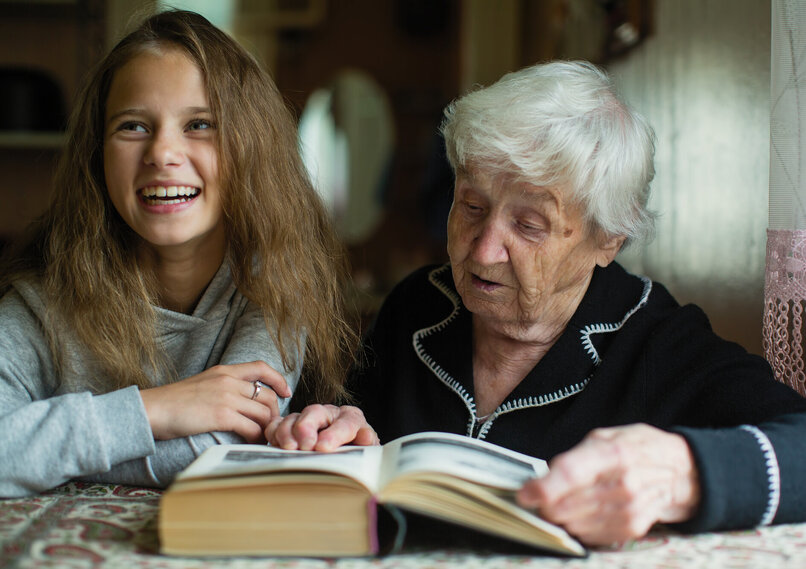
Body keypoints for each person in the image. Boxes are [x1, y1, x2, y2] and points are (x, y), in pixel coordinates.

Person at [267, 61, 806, 547]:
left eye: (529, 225)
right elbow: (346, 437)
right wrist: (331, 427)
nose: (483, 250)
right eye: (471, 205)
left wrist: (683, 475)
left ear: (608, 239)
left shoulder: (659, 343)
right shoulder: (418, 307)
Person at [0, 9, 356, 497]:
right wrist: (156, 409)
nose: (163, 152)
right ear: (96, 153)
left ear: (249, 148)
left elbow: (221, 449)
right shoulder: (40, 301)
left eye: (200, 124)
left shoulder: (273, 287)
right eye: (132, 126)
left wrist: (47, 453)